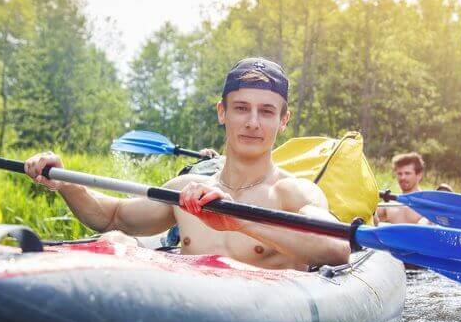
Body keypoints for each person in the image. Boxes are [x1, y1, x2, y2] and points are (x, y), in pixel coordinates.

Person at [24, 57, 350, 270]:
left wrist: (238, 222)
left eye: (266, 111)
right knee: (116, 241)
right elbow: (111, 217)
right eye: (241, 108)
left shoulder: (292, 193)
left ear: (283, 121)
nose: (252, 122)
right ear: (222, 112)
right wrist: (67, 183)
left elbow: (336, 249)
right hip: (189, 318)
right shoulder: (185, 192)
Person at [375, 152, 429, 224]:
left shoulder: (428, 205)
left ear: (419, 175)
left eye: (407, 173)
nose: (402, 177)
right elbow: (368, 218)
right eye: (399, 174)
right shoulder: (389, 205)